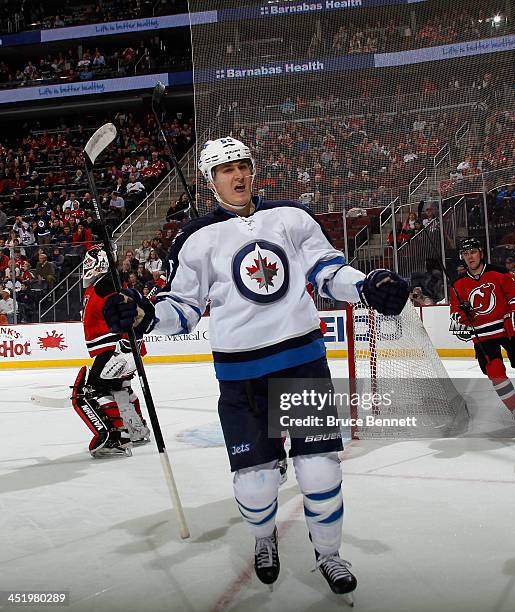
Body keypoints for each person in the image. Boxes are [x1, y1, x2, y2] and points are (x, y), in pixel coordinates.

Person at [104, 137, 408, 596]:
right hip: (241, 374)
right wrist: (145, 315)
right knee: (256, 482)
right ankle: (264, 538)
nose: (239, 175)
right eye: (226, 169)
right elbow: (182, 307)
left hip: (300, 364)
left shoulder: (291, 217)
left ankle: (329, 554)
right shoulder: (195, 239)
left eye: (243, 165)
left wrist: (366, 286)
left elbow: (327, 269)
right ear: (211, 181)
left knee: (320, 469)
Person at [71, 245, 151, 458]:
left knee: (93, 392)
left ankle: (115, 437)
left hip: (115, 348)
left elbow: (128, 309)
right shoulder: (99, 285)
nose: (86, 266)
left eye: (90, 262)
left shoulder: (107, 283)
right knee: (120, 388)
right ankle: (136, 429)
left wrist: (127, 347)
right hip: (118, 348)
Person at [450, 238, 515, 421]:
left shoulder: (500, 273)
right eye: (465, 254)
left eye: (472, 252)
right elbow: (455, 316)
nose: (469, 256)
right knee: (495, 372)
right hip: (482, 335)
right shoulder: (457, 285)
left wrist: (514, 315)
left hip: (507, 330)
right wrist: (463, 314)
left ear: (481, 253)